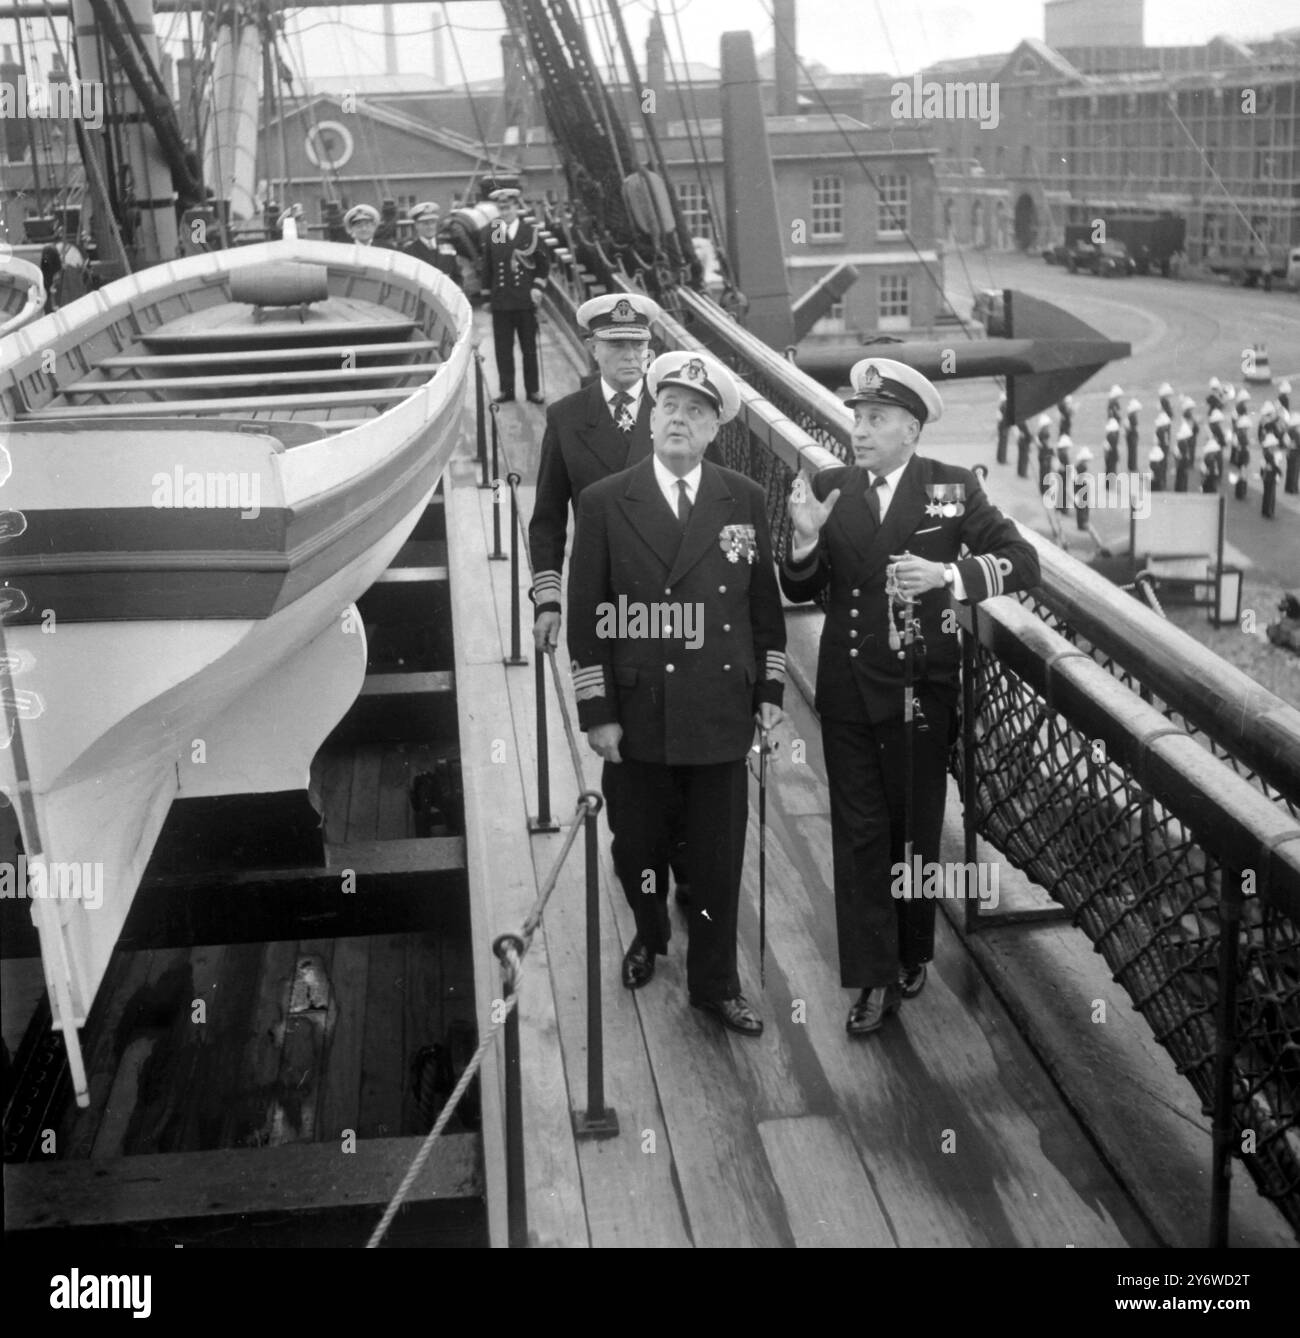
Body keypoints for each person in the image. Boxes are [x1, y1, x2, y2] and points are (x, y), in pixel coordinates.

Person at [779, 358, 1039, 1036]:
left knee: (915, 833)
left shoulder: (947, 491)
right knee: (861, 833)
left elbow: (1021, 560)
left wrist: (947, 574)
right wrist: (804, 541)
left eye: (875, 420)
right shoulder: (831, 487)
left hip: (920, 691)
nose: (858, 431)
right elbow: (802, 589)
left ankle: (913, 948)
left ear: (911, 430)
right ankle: (875, 978)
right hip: (848, 687)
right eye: (857, 418)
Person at [567, 350, 787, 1037]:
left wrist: (770, 693)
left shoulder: (743, 499)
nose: (680, 420)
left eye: (697, 411)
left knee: (718, 859)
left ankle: (716, 983)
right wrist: (598, 713)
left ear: (716, 427)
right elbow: (585, 618)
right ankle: (649, 932)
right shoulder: (605, 502)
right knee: (635, 846)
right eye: (670, 407)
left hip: (720, 713)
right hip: (637, 716)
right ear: (652, 415)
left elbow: (763, 608)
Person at [480, 186, 550, 404]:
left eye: (508, 207)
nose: (505, 211)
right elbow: (488, 266)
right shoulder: (496, 232)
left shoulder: (530, 232)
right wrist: (486, 297)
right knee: (503, 350)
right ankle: (507, 390)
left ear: (516, 207)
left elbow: (543, 264)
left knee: (529, 349)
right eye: (501, 208)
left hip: (525, 301)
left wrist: (537, 287)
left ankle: (533, 391)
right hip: (501, 302)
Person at [402, 202, 461, 285]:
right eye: (425, 223)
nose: (430, 227)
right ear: (416, 225)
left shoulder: (448, 247)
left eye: (433, 222)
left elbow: (457, 276)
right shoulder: (409, 252)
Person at [1124, 399, 1141, 473]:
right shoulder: (1133, 416)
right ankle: (1133, 467)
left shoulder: (1130, 415)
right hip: (1132, 435)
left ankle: (1131, 466)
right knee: (1133, 451)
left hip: (1130, 435)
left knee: (1131, 451)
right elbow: (1133, 427)